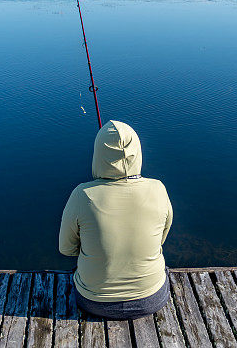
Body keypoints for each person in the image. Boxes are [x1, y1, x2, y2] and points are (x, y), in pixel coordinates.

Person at [59, 120, 173, 320]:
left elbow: (66, 249)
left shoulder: (82, 195)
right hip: (152, 299)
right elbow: (161, 238)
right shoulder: (158, 189)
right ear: (137, 152)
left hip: (93, 302)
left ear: (98, 155)